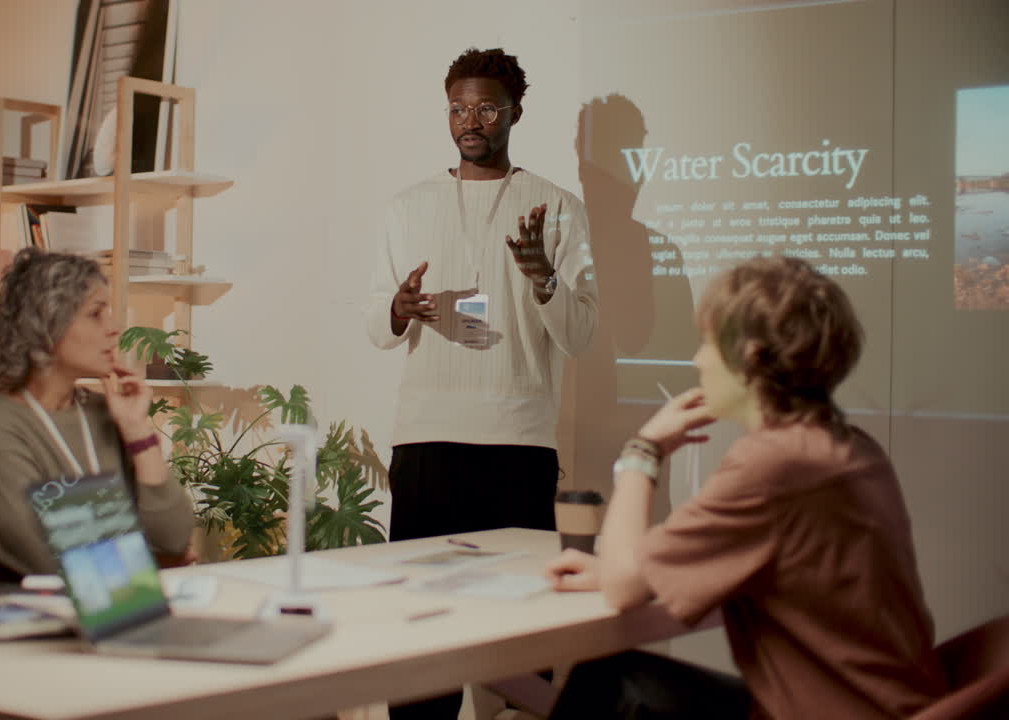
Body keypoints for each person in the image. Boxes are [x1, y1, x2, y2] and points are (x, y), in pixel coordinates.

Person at [545, 256, 946, 719]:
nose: (697, 360)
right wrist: (630, 570)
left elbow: (622, 588)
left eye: (708, 343)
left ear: (751, 353)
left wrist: (644, 449)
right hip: (881, 707)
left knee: (609, 681)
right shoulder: (849, 447)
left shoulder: (775, 465)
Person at [365, 47, 599, 719]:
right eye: (458, 108)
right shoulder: (406, 206)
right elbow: (373, 319)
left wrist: (544, 279)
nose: (471, 120)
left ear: (514, 113)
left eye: (486, 108)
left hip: (519, 444)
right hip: (426, 441)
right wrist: (398, 308)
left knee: (521, 633)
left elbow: (582, 334)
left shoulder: (555, 207)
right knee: (420, 627)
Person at [0, 248, 195, 588]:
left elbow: (174, 537)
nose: (114, 329)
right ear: (46, 323)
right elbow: (48, 559)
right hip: (34, 629)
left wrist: (138, 430)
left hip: (128, 613)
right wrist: (156, 562)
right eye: (96, 314)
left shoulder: (108, 412)